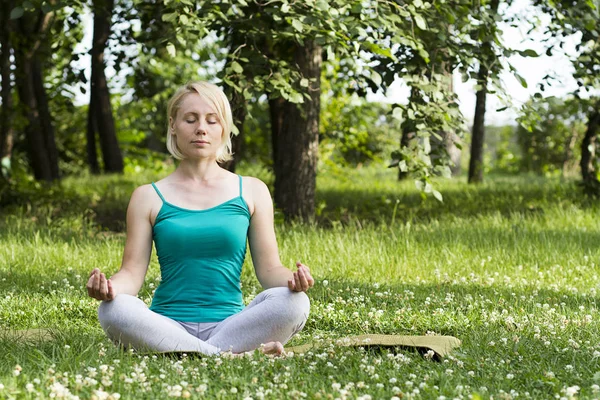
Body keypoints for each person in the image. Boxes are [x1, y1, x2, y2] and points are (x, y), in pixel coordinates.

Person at [86, 81, 314, 356]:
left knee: (295, 303)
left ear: (224, 128)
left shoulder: (252, 190)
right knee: (114, 309)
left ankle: (194, 353)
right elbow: (132, 275)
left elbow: (269, 271)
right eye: (190, 119)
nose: (201, 129)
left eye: (212, 120)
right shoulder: (147, 196)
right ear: (173, 125)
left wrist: (293, 280)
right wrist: (110, 288)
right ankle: (228, 357)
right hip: (165, 325)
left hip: (232, 326)